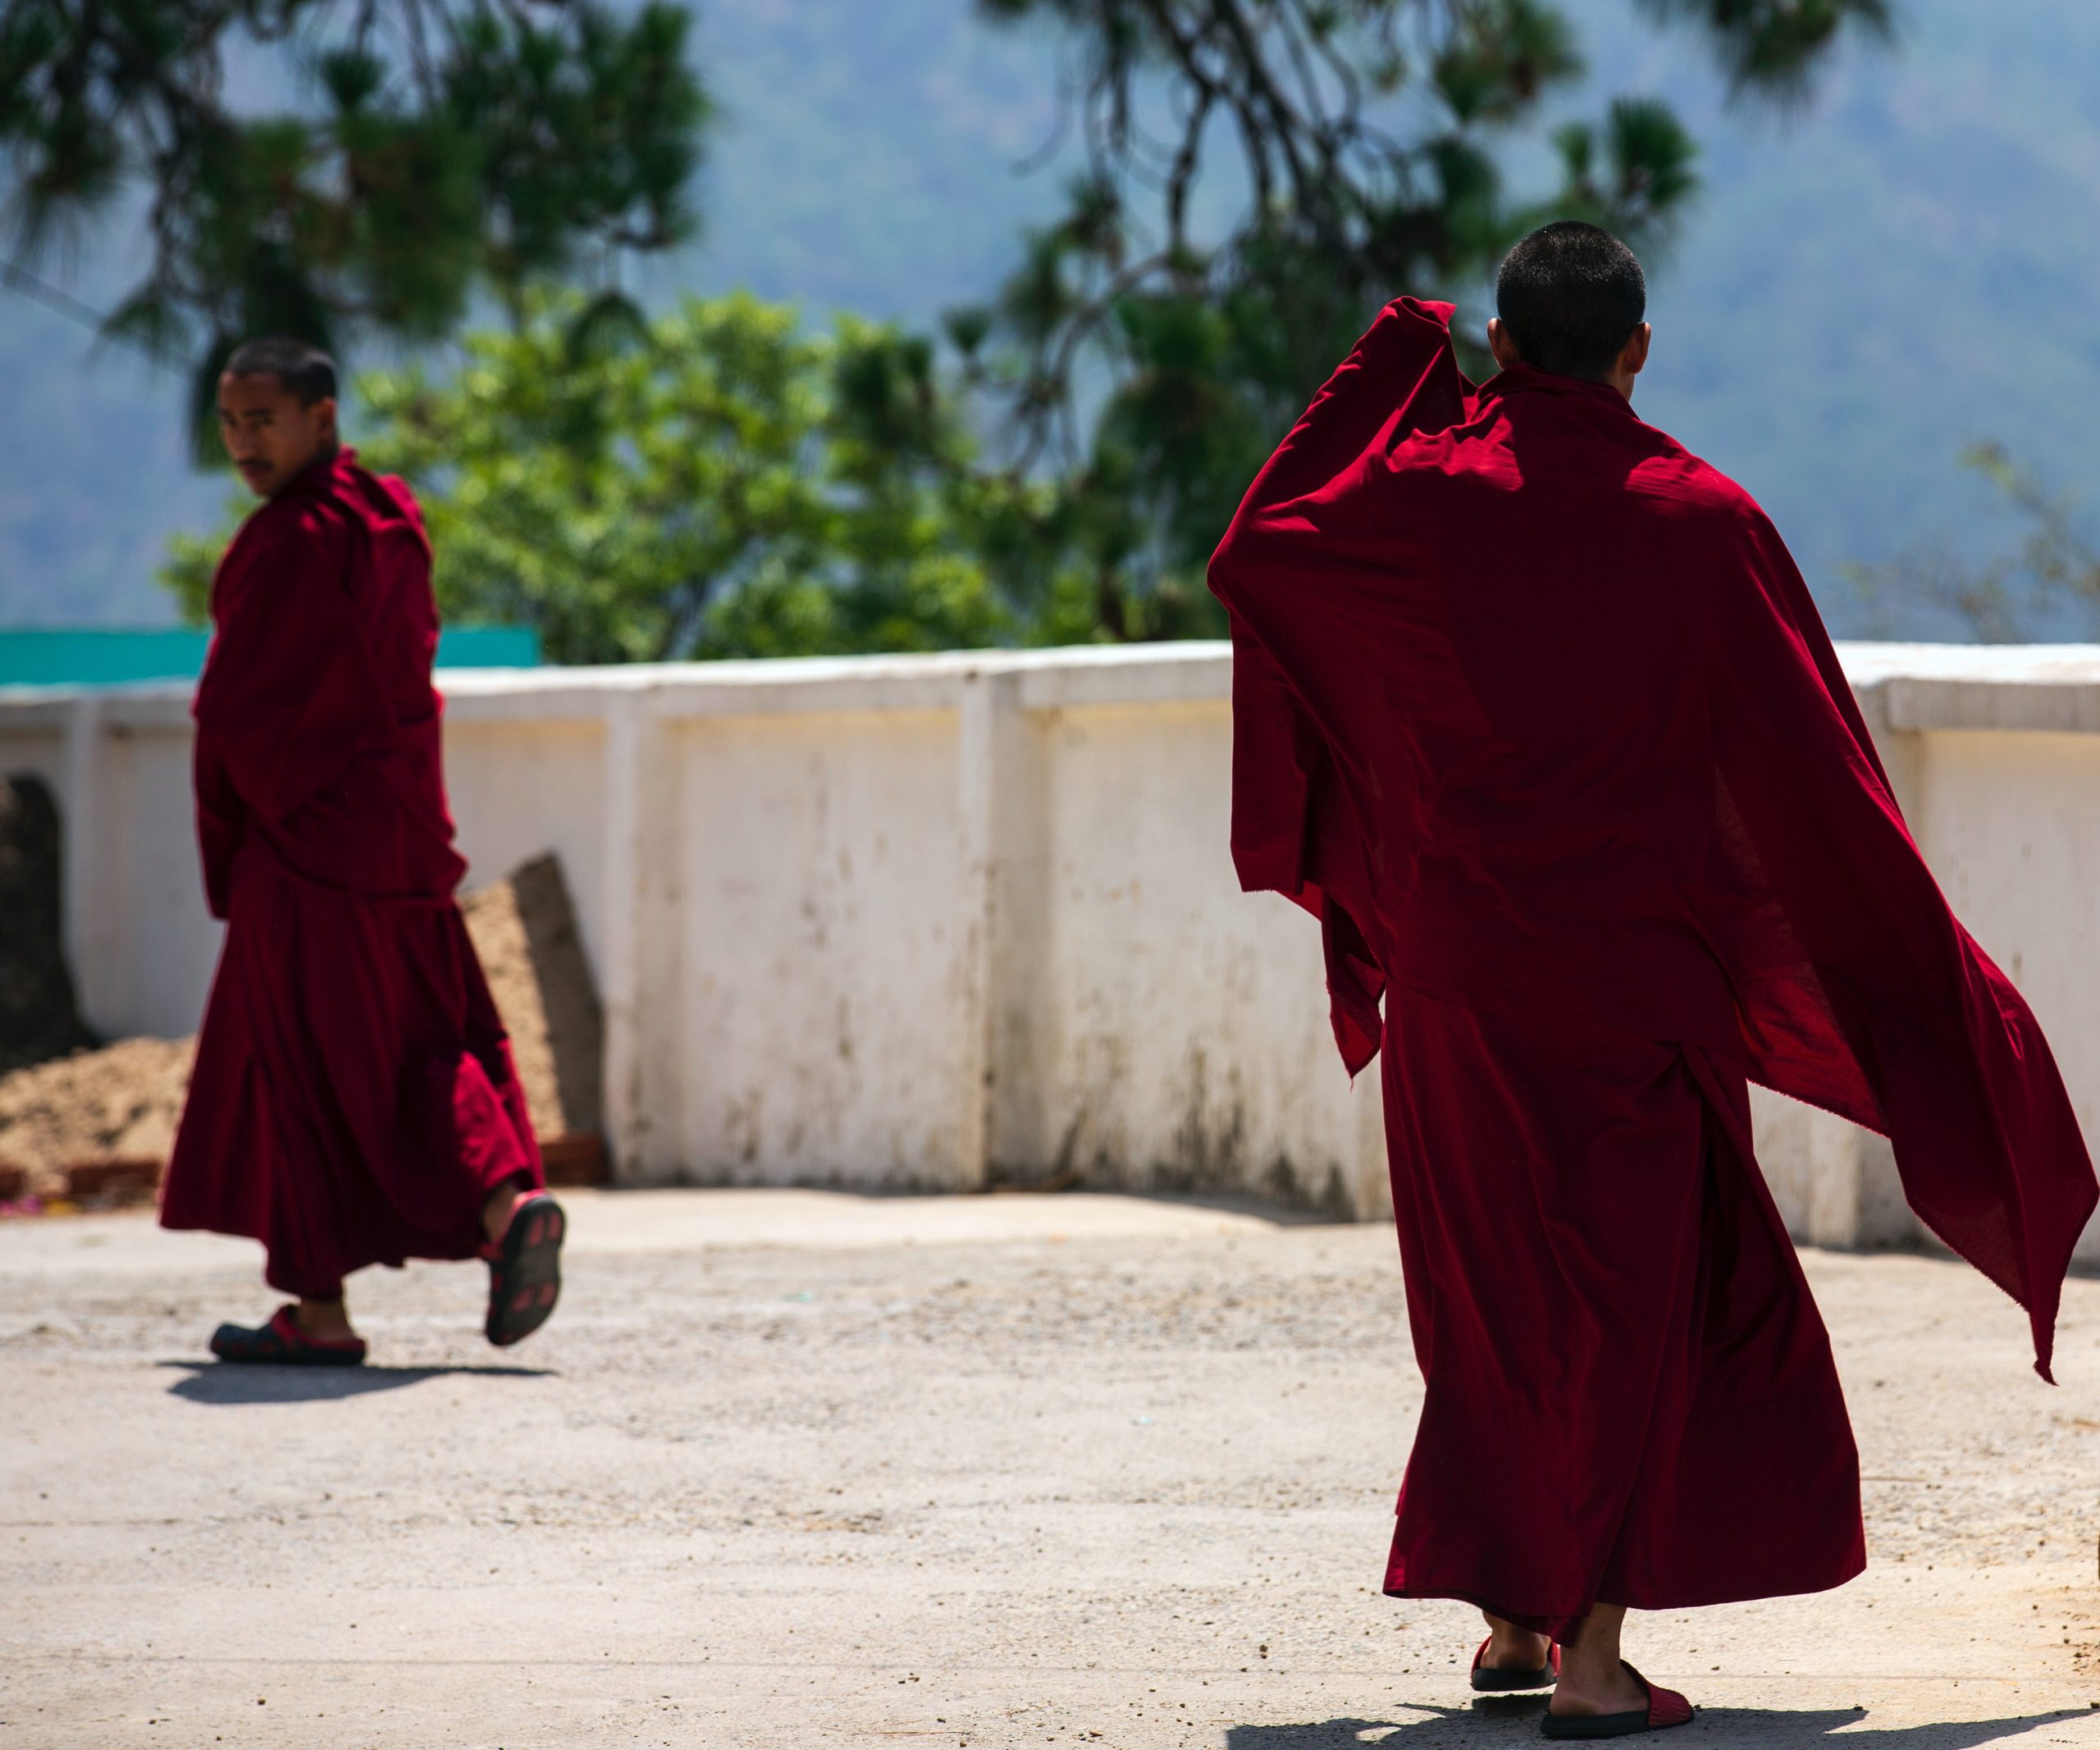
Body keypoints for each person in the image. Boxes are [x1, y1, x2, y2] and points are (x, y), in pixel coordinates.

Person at [1208, 222, 2097, 1738]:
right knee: (1634, 1311)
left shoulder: (1416, 498)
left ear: (1499, 344)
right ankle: (1590, 1662)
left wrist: (1386, 355)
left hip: (1456, 978)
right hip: (1628, 985)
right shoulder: (1702, 522)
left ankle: (1505, 1618)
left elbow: (1256, 553)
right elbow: (1816, 775)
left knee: (1490, 1301)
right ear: (1635, 354)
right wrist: (1921, 989)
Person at [160, 336, 565, 1368]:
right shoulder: (392, 520)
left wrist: (233, 838)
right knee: (424, 1042)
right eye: (231, 422)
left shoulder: (280, 544)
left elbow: (239, 717)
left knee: (298, 1069)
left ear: (322, 418)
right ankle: (503, 1206)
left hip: (306, 849)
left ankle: (319, 1313)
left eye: (265, 420)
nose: (245, 443)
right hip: (402, 835)